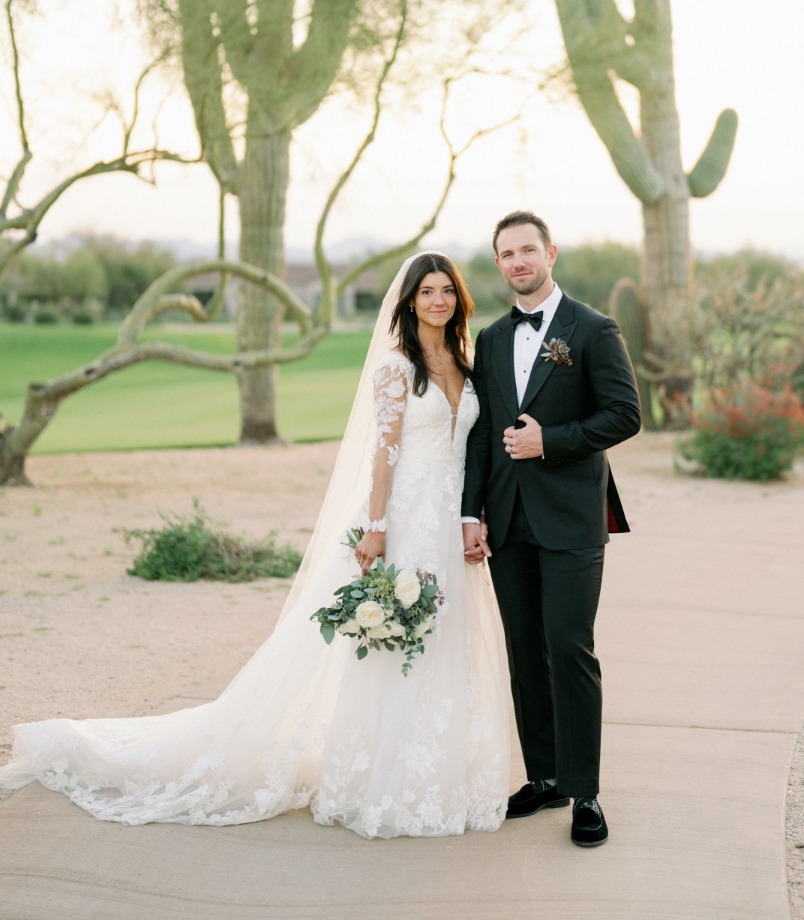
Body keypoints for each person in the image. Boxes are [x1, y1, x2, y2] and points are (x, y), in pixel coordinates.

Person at [0, 252, 511, 838]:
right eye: (427, 292)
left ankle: (443, 773)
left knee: (447, 638)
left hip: (450, 524)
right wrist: (376, 526)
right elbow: (384, 452)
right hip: (403, 517)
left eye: (447, 290)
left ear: (459, 299)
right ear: (409, 302)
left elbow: (471, 449)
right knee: (396, 639)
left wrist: (473, 516)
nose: (438, 300)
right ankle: (387, 781)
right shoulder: (396, 368)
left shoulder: (466, 363)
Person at [461, 210, 640, 848]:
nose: (518, 262)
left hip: (571, 518)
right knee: (525, 656)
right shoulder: (488, 339)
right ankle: (543, 777)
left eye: (527, 250)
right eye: (506, 254)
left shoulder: (593, 329)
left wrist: (552, 441)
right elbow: (483, 432)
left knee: (569, 648)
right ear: (499, 262)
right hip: (508, 521)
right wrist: (470, 513)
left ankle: (584, 792)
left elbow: (625, 414)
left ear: (551, 253)